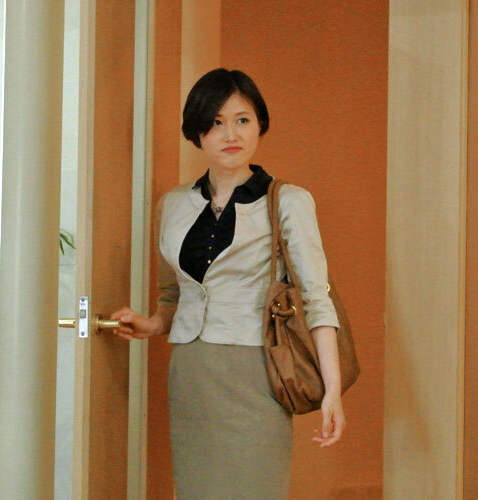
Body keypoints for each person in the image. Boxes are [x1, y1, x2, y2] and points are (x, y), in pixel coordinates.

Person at [108, 68, 346, 499]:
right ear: (197, 132)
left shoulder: (289, 201)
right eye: (215, 122)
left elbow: (316, 299)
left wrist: (333, 391)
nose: (230, 134)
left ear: (260, 125)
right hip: (192, 370)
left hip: (256, 369)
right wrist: (152, 324)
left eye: (242, 120)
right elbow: (173, 295)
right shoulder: (173, 205)